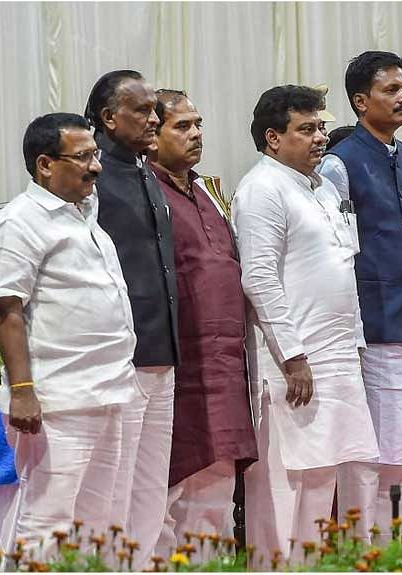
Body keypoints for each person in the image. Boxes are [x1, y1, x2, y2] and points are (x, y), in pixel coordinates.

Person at [233, 85, 378, 560]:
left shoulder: (323, 186)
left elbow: (341, 269)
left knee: (322, 480)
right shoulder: (261, 189)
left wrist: (355, 346)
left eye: (321, 127)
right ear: (273, 138)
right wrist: (293, 356)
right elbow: (259, 279)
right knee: (283, 487)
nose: (320, 137)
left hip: (337, 359)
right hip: (291, 364)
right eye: (307, 129)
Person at [318, 52, 402, 540]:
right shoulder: (340, 162)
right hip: (368, 328)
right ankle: (359, 554)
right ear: (359, 100)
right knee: (366, 454)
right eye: (390, 90)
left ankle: (391, 551)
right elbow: (334, 252)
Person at [0, 113, 139, 560]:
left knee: (96, 521)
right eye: (82, 157)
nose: (95, 166)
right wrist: (22, 391)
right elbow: (6, 308)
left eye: (95, 154)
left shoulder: (86, 213)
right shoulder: (21, 221)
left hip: (109, 391)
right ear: (44, 165)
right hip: (58, 401)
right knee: (45, 521)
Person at [147, 90, 257, 555]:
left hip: (224, 366)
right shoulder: (143, 191)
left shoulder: (208, 190)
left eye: (199, 124)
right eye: (182, 125)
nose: (196, 134)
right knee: (163, 502)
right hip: (173, 370)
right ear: (151, 137)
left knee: (215, 495)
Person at [84, 69, 180, 568]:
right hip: (120, 357)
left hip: (163, 352)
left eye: (154, 109)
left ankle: (139, 564)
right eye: (141, 110)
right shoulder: (91, 178)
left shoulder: (147, 172)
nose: (154, 118)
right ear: (107, 117)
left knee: (149, 486)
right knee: (112, 487)